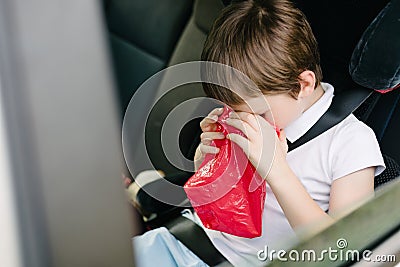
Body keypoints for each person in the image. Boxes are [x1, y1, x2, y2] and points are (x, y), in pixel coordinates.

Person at [133, 0, 385, 266]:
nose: (241, 120)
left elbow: (345, 249)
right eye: (229, 109)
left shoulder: (350, 143)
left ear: (303, 85)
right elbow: (220, 207)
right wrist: (205, 164)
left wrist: (278, 172)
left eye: (257, 113)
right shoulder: (251, 110)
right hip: (184, 242)